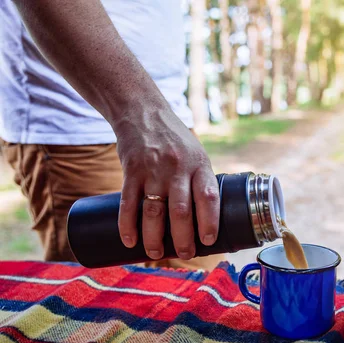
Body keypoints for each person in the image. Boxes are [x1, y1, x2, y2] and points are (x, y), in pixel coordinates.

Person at [0, 0, 226, 270]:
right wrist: (142, 113)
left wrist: (161, 116)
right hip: (79, 124)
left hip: (169, 119)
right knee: (104, 302)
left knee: (206, 290)